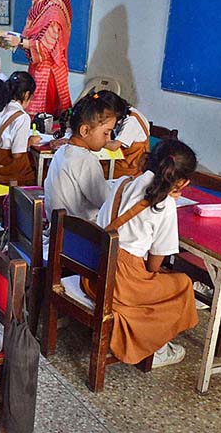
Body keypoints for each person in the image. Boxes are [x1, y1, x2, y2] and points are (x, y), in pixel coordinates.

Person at [85, 140, 199, 367]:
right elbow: (155, 263)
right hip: (121, 283)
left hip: (93, 270)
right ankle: (155, 349)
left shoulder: (123, 182)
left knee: (162, 284)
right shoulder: (164, 205)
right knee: (182, 284)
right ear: (183, 182)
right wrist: (150, 275)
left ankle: (151, 340)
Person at [5, 0, 73, 117]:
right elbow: (32, 40)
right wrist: (13, 42)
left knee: (44, 119)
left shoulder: (55, 8)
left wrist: (21, 42)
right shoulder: (40, 6)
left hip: (49, 74)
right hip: (37, 69)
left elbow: (45, 46)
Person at [43, 92, 116, 223]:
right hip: (76, 235)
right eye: (106, 132)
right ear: (85, 131)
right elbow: (106, 202)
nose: (109, 139)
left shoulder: (63, 151)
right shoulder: (86, 160)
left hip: (58, 227)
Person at [0, 71, 41, 186]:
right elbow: (17, 154)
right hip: (7, 176)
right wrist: (30, 141)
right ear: (26, 95)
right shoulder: (22, 117)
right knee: (41, 176)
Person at [100, 91, 151, 179]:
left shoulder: (131, 121)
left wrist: (92, 141)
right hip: (121, 158)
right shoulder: (124, 111)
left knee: (96, 171)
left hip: (131, 165)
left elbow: (114, 146)